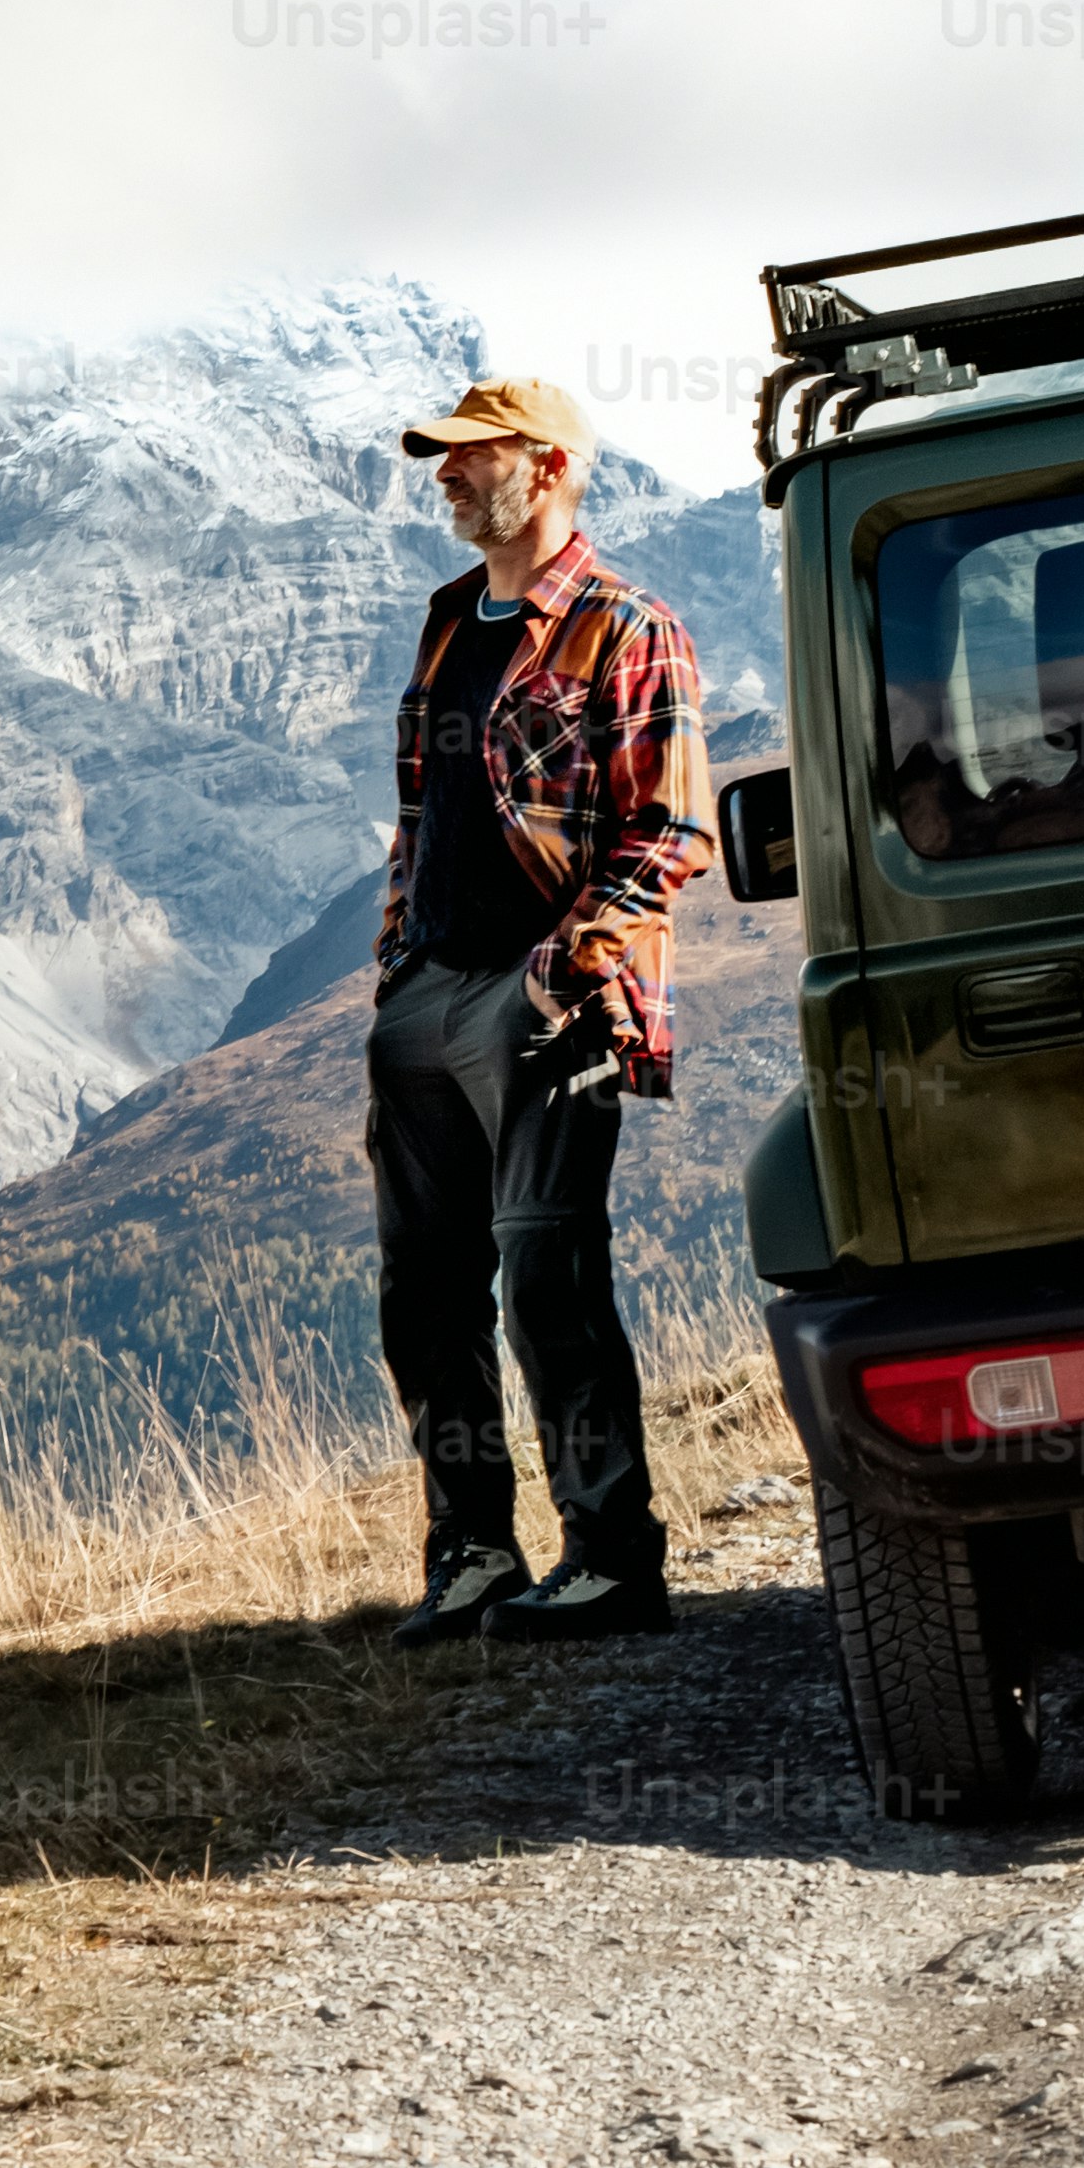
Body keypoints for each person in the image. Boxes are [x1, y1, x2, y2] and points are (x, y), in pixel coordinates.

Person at [369, 376, 716, 1637]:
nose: (447, 474)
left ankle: (614, 1557)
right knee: (425, 1294)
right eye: (441, 457)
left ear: (552, 464)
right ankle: (471, 1553)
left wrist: (563, 970)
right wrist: (399, 958)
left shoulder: (628, 625)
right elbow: (423, 812)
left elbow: (671, 828)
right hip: (427, 997)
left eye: (473, 455)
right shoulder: (452, 617)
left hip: (541, 1001)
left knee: (546, 1280)